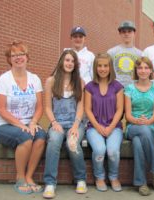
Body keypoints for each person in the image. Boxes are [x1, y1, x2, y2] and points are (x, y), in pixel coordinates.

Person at [0, 41, 46, 194]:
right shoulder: (4, 79)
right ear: (9, 59)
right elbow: (1, 109)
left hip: (29, 123)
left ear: (27, 57)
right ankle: (20, 177)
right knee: (26, 137)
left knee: (41, 136)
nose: (18, 58)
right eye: (14, 55)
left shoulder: (34, 79)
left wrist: (33, 122)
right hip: (5, 125)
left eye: (21, 54)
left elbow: (40, 107)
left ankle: (29, 176)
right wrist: (20, 125)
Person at [42, 50, 87, 198]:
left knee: (72, 142)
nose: (69, 63)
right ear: (61, 61)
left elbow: (81, 107)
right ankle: (50, 183)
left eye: (72, 61)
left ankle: (80, 179)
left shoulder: (80, 81)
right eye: (67, 60)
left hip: (75, 122)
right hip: (57, 123)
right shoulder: (51, 81)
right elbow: (48, 107)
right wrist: (54, 122)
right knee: (54, 141)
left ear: (76, 65)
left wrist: (75, 126)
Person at [124, 57, 154, 196]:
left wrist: (146, 122)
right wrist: (138, 121)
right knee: (142, 131)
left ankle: (141, 182)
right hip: (132, 127)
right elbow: (128, 116)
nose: (143, 70)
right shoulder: (129, 88)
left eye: (146, 67)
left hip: (151, 126)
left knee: (137, 142)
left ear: (151, 70)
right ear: (136, 70)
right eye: (140, 68)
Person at [84, 53, 124, 192]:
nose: (102, 68)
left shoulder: (117, 86)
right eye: (99, 65)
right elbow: (87, 110)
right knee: (100, 150)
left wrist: (111, 127)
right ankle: (99, 177)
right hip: (94, 127)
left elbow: (120, 110)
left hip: (114, 127)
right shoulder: (89, 86)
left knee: (112, 151)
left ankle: (113, 177)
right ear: (95, 67)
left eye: (105, 65)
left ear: (110, 67)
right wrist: (98, 126)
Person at [107, 20, 142, 87]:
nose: (126, 34)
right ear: (120, 33)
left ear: (134, 33)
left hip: (133, 89)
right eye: (123, 32)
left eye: (129, 31)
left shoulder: (140, 54)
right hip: (115, 89)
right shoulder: (111, 52)